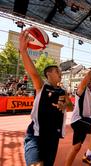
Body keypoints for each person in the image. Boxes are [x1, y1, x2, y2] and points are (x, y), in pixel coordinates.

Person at [19, 30, 73, 166]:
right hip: (36, 135)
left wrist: (66, 105)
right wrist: (23, 51)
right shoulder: (42, 87)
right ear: (48, 74)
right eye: (57, 71)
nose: (60, 73)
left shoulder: (63, 91)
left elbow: (71, 108)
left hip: (53, 137)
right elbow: (33, 73)